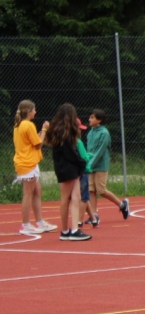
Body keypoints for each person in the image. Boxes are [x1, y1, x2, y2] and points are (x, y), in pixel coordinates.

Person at [47, 103, 92, 241]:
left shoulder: (55, 131)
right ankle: (70, 230)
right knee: (69, 198)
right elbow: (70, 153)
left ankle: (69, 230)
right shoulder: (65, 134)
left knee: (72, 198)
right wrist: (81, 162)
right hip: (69, 167)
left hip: (62, 167)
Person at [12, 100, 57, 236]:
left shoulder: (18, 125)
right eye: (34, 110)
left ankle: (40, 221)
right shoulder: (28, 125)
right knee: (28, 193)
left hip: (28, 161)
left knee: (37, 190)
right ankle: (25, 225)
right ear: (29, 111)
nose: (35, 112)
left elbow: (31, 142)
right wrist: (44, 130)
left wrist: (39, 134)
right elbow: (38, 144)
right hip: (27, 163)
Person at [83, 109, 129, 224]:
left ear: (99, 120)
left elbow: (100, 151)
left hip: (101, 165)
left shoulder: (104, 133)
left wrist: (90, 163)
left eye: (92, 117)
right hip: (90, 165)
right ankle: (94, 215)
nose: (89, 119)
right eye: (90, 117)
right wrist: (86, 161)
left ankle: (122, 204)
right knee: (91, 190)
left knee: (101, 190)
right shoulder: (90, 132)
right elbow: (89, 150)